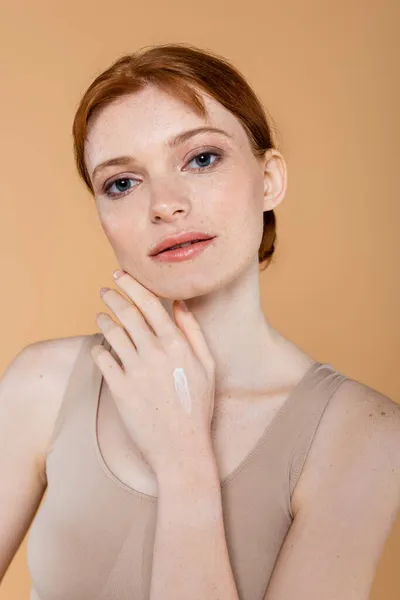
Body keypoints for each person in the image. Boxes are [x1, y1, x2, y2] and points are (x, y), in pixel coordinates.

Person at [1, 43, 399, 600]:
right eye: (122, 183)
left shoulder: (362, 431)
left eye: (201, 158)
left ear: (269, 180)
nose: (165, 204)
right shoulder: (41, 385)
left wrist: (185, 462)